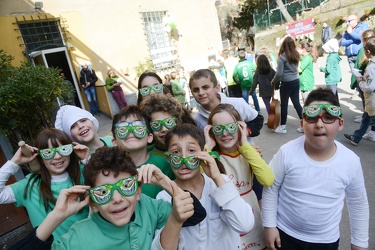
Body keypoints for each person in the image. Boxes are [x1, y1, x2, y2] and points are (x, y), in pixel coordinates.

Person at [13, 146, 199, 249]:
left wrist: (165, 182)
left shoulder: (148, 207)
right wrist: (57, 215)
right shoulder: (77, 239)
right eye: (103, 192)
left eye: (126, 186)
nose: (117, 198)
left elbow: (196, 215)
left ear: (138, 191)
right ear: (92, 202)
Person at [262, 88, 369, 250]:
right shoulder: (287, 152)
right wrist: (269, 225)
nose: (319, 124)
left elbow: (358, 202)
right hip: (285, 233)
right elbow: (271, 188)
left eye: (328, 118)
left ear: (340, 123)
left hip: (325, 240)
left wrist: (360, 242)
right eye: (311, 118)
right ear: (302, 124)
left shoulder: (350, 161)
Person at [157, 123, 255, 249]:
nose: (184, 158)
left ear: (203, 153)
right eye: (176, 152)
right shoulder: (163, 197)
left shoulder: (221, 182)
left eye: (191, 150)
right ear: (168, 158)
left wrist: (217, 177)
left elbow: (245, 225)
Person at [204, 104, 274, 249]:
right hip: (225, 213)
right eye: (218, 129)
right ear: (211, 132)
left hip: (251, 209)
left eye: (231, 127)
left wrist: (245, 144)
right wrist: (208, 147)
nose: (224, 134)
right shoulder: (212, 157)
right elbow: (202, 181)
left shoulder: (248, 152)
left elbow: (268, 180)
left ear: (240, 127)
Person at [0, 128, 90, 240]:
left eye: (63, 149)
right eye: (48, 152)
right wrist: (14, 162)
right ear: (41, 158)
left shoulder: (85, 174)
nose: (57, 156)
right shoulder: (30, 185)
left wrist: (88, 160)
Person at [111, 105, 175, 198]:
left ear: (149, 137)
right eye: (123, 129)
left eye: (138, 127)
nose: (131, 131)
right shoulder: (110, 170)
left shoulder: (164, 164)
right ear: (114, 142)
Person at [140, 93, 195, 157]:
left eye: (169, 122)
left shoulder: (191, 149)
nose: (164, 129)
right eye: (156, 125)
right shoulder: (145, 154)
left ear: (177, 122)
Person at [344, 37, 375, 146]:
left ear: (368, 52)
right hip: (372, 102)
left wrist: (360, 81)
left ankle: (357, 136)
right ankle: (357, 137)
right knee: (366, 118)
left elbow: (370, 87)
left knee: (368, 117)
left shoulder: (371, 67)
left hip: (372, 100)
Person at [271, 36, 303, 134]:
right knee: (297, 103)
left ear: (284, 45)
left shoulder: (282, 57)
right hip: (296, 81)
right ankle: (305, 125)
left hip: (286, 83)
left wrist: (273, 81)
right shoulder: (297, 54)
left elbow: (279, 73)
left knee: (284, 105)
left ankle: (283, 127)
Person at [250, 54, 275, 120]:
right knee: (271, 104)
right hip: (271, 90)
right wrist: (277, 86)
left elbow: (254, 83)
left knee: (267, 105)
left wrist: (251, 91)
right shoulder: (271, 70)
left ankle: (271, 118)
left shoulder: (258, 72)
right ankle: (272, 117)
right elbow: (276, 77)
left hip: (263, 91)